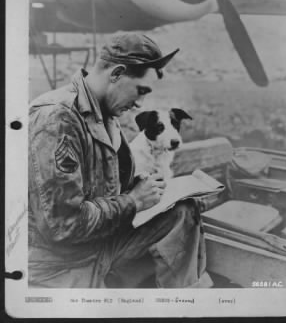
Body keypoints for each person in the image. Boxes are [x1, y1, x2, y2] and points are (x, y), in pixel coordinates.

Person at [28, 33, 213, 288]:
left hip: (99, 242)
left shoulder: (106, 114)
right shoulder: (57, 119)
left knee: (183, 211)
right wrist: (133, 200)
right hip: (61, 262)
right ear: (116, 73)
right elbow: (62, 225)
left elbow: (102, 186)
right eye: (140, 91)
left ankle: (185, 303)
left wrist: (145, 187)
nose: (140, 104)